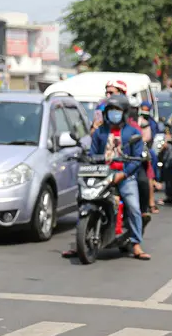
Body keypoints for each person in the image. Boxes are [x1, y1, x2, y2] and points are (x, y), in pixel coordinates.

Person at [61, 94, 151, 261]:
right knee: (83, 200)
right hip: (100, 174)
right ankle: (78, 242)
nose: (113, 114)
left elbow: (137, 159)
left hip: (123, 176)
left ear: (124, 112)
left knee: (133, 207)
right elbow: (92, 152)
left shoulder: (132, 133)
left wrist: (123, 174)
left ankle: (136, 244)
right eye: (110, 110)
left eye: (117, 110)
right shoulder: (100, 132)